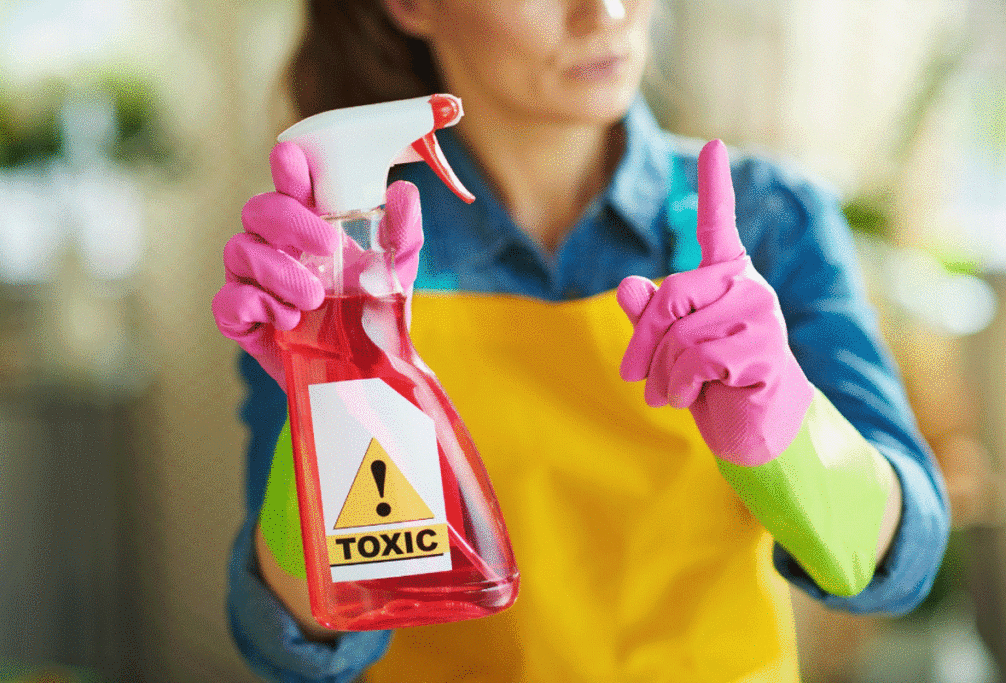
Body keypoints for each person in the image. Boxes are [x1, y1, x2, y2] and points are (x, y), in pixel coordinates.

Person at [212, 1, 950, 681]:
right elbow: (292, 647)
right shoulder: (334, 269)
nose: (607, 12)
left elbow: (900, 566)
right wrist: (329, 397)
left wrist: (788, 429)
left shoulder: (772, 220)